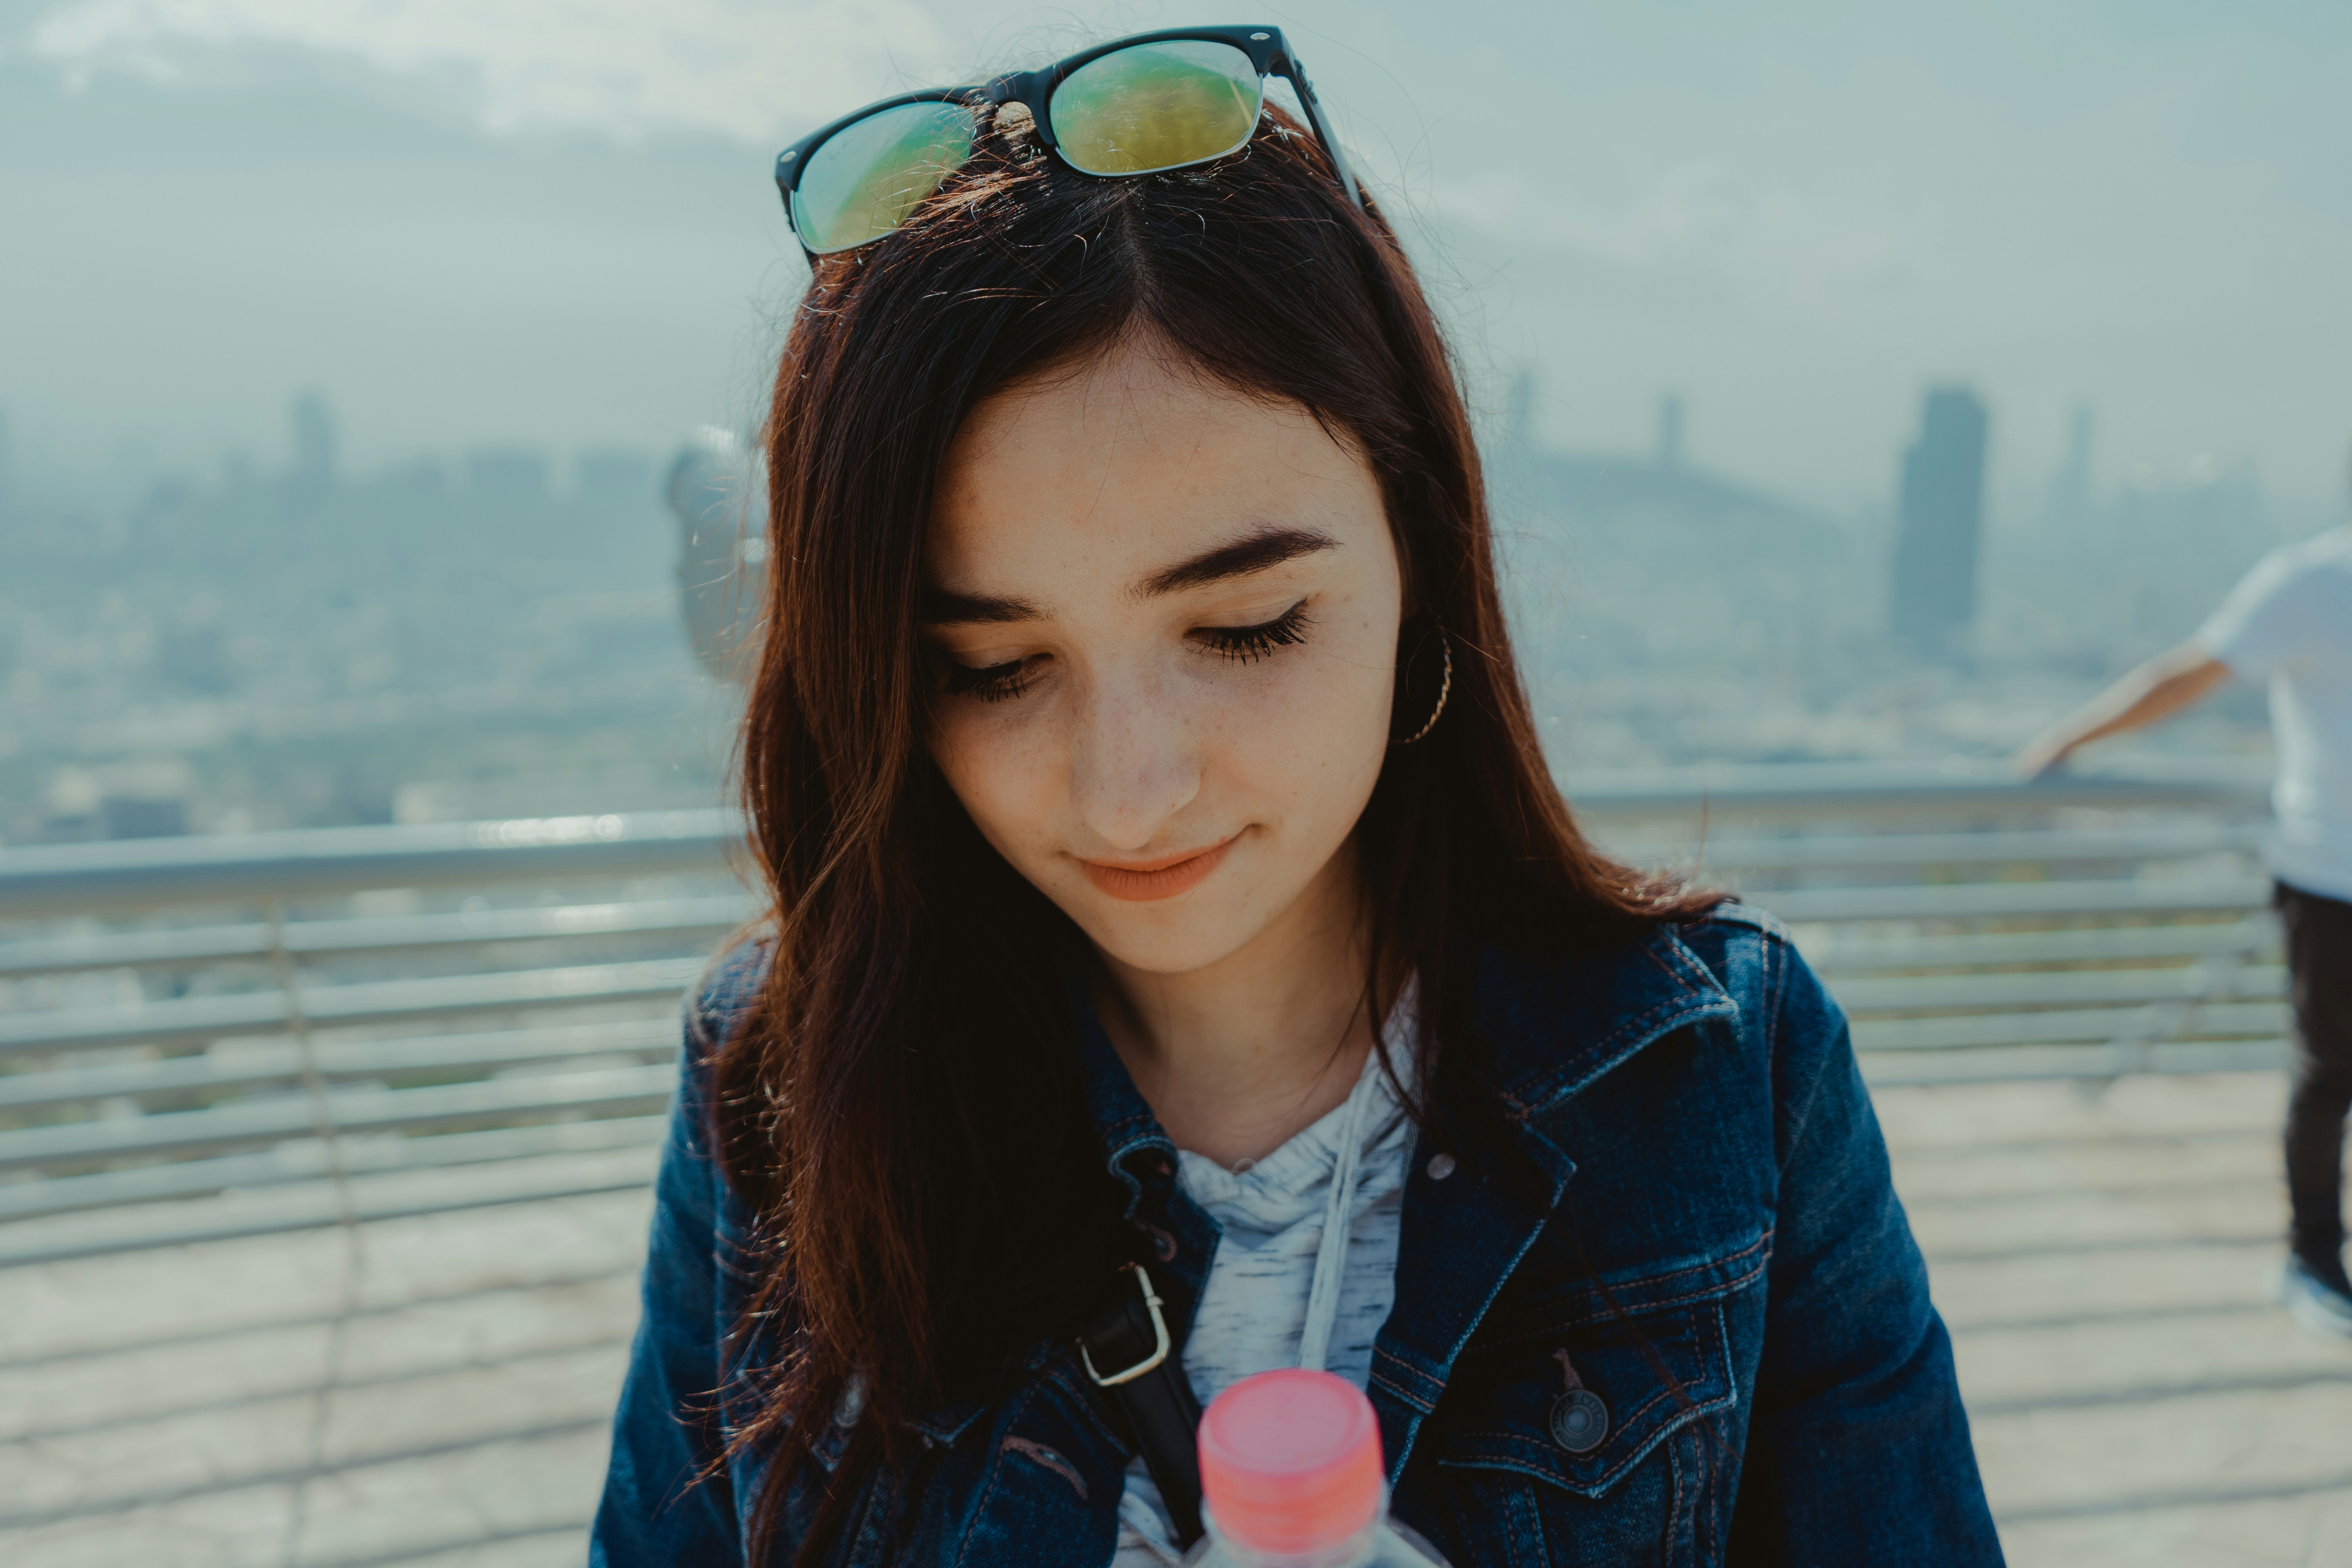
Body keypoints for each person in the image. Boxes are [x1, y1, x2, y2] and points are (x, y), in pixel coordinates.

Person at [592, 27, 2000, 1566]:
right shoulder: (785, 1082)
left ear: (1419, 557)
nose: (1131, 793)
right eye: (993, 667)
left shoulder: (1719, 1076)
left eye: (1248, 628)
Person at [2018, 500, 2352, 1339]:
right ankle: (2313, 1256)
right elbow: (2192, 673)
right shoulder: (2313, 578)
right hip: (2332, 875)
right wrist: (2069, 740)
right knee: (2331, 1074)